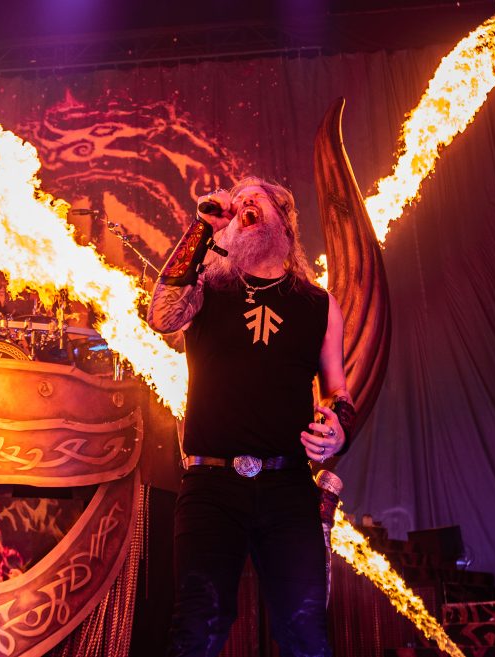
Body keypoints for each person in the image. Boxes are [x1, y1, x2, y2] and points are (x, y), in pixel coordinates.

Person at [146, 177, 357, 657]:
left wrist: (338, 429)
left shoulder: (319, 304)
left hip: (288, 488)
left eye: (255, 198)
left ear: (284, 218)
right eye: (237, 201)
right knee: (196, 627)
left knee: (305, 631)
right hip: (211, 485)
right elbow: (160, 317)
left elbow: (337, 390)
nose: (243, 204)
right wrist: (202, 227)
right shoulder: (208, 288)